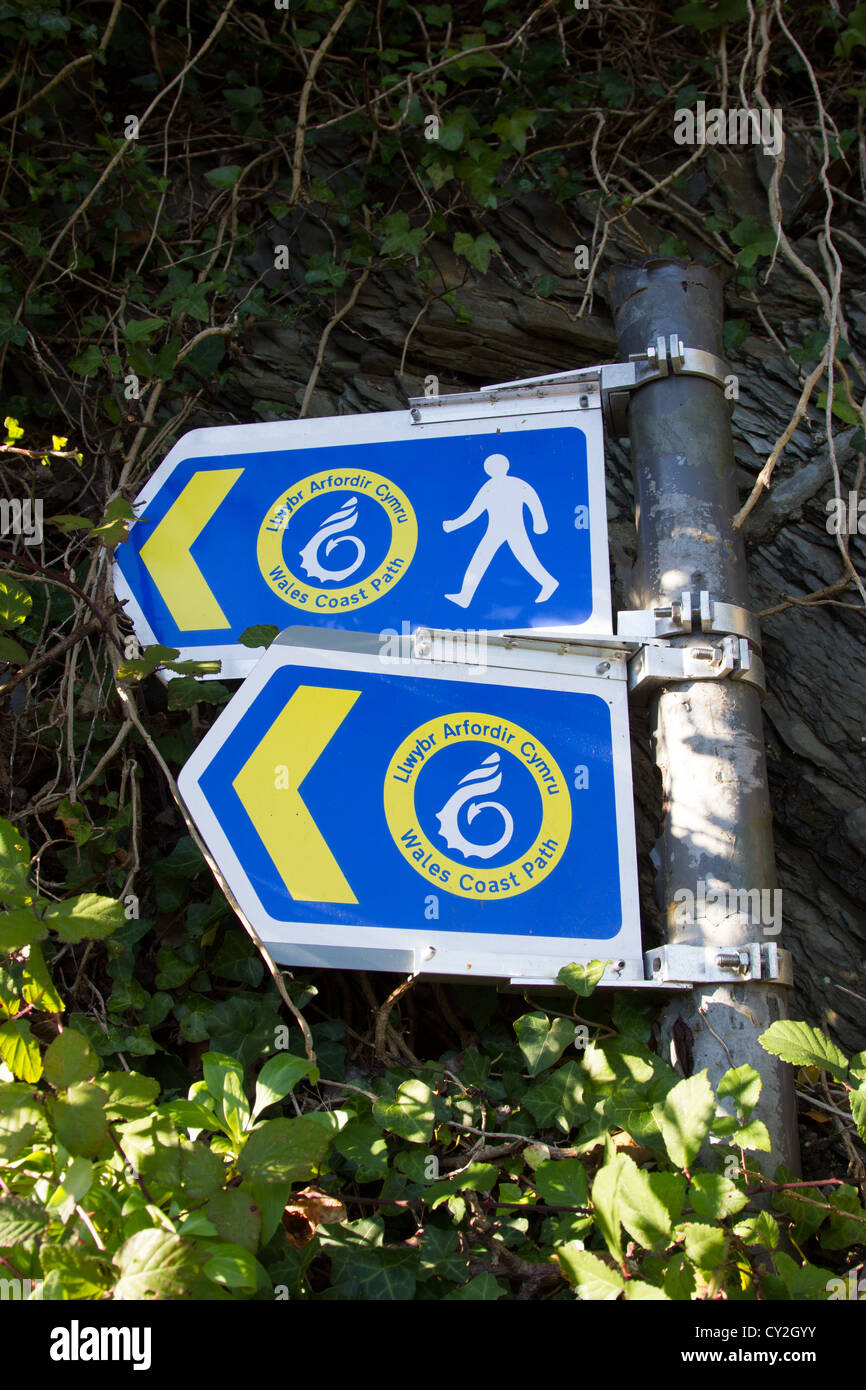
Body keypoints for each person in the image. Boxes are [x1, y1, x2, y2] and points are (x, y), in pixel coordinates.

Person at [443, 453, 558, 607]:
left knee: (527, 559)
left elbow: (532, 500)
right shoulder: (491, 487)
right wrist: (453, 525)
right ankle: (465, 596)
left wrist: (540, 522)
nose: (491, 469)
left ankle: (549, 582)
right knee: (480, 560)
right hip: (496, 530)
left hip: (514, 529)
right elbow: (473, 512)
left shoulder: (511, 484)